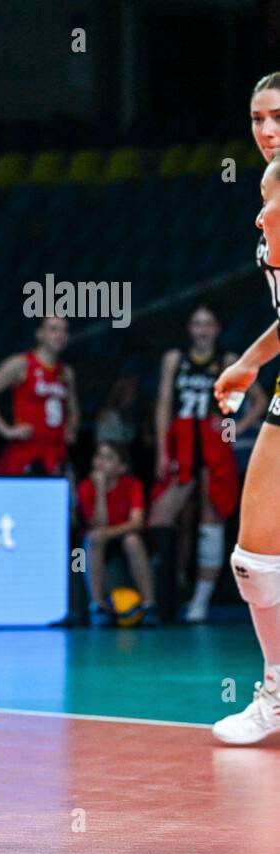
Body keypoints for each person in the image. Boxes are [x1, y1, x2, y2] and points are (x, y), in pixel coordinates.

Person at [210, 72, 280, 744]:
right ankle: (277, 693)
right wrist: (248, 361)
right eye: (258, 117)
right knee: (254, 559)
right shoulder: (270, 188)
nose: (267, 130)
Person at [149, 306, 266, 622]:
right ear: (189, 328)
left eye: (208, 324)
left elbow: (259, 400)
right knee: (161, 516)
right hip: (182, 443)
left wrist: (234, 429)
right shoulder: (175, 359)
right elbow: (163, 405)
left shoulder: (227, 361)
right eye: (197, 324)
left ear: (216, 329)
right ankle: (162, 597)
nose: (202, 330)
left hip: (213, 446)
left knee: (210, 519)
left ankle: (200, 602)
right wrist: (162, 450)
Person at [0, 315, 78, 477]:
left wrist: (71, 428)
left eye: (64, 330)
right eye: (53, 329)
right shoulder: (22, 364)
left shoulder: (66, 373)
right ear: (40, 333)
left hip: (56, 456)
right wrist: (6, 430)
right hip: (25, 455)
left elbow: (73, 409)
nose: (60, 335)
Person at [77, 442, 156, 626]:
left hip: (123, 535)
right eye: (98, 456)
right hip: (96, 543)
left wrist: (108, 533)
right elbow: (97, 524)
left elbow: (136, 522)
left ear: (122, 467)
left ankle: (149, 605)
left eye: (108, 458)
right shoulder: (86, 487)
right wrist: (100, 492)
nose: (101, 462)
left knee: (132, 540)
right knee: (92, 539)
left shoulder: (133, 484)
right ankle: (97, 606)